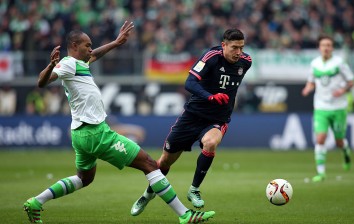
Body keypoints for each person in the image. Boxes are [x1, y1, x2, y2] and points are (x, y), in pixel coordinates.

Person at [23, 21, 215, 224]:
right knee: (150, 164)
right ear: (74, 46)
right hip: (95, 133)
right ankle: (185, 215)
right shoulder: (68, 63)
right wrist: (51, 65)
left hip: (81, 134)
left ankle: (37, 202)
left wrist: (115, 43)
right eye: (87, 45)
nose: (90, 48)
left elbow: (95, 55)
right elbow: (42, 82)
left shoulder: (81, 63)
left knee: (84, 178)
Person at [131, 28, 252, 215]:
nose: (239, 52)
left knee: (210, 143)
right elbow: (189, 83)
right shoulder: (211, 57)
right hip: (192, 116)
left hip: (217, 119)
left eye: (241, 48)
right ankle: (148, 194)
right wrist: (210, 97)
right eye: (234, 47)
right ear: (223, 46)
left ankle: (194, 189)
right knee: (164, 162)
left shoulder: (246, 62)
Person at [302, 34, 354, 182]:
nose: (326, 48)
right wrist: (307, 89)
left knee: (339, 141)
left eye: (329, 45)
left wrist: (342, 91)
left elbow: (351, 81)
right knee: (320, 139)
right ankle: (321, 173)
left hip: (338, 107)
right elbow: (311, 81)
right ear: (319, 47)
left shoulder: (339, 63)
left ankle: (345, 150)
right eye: (323, 45)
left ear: (332, 48)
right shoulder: (314, 64)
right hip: (321, 107)